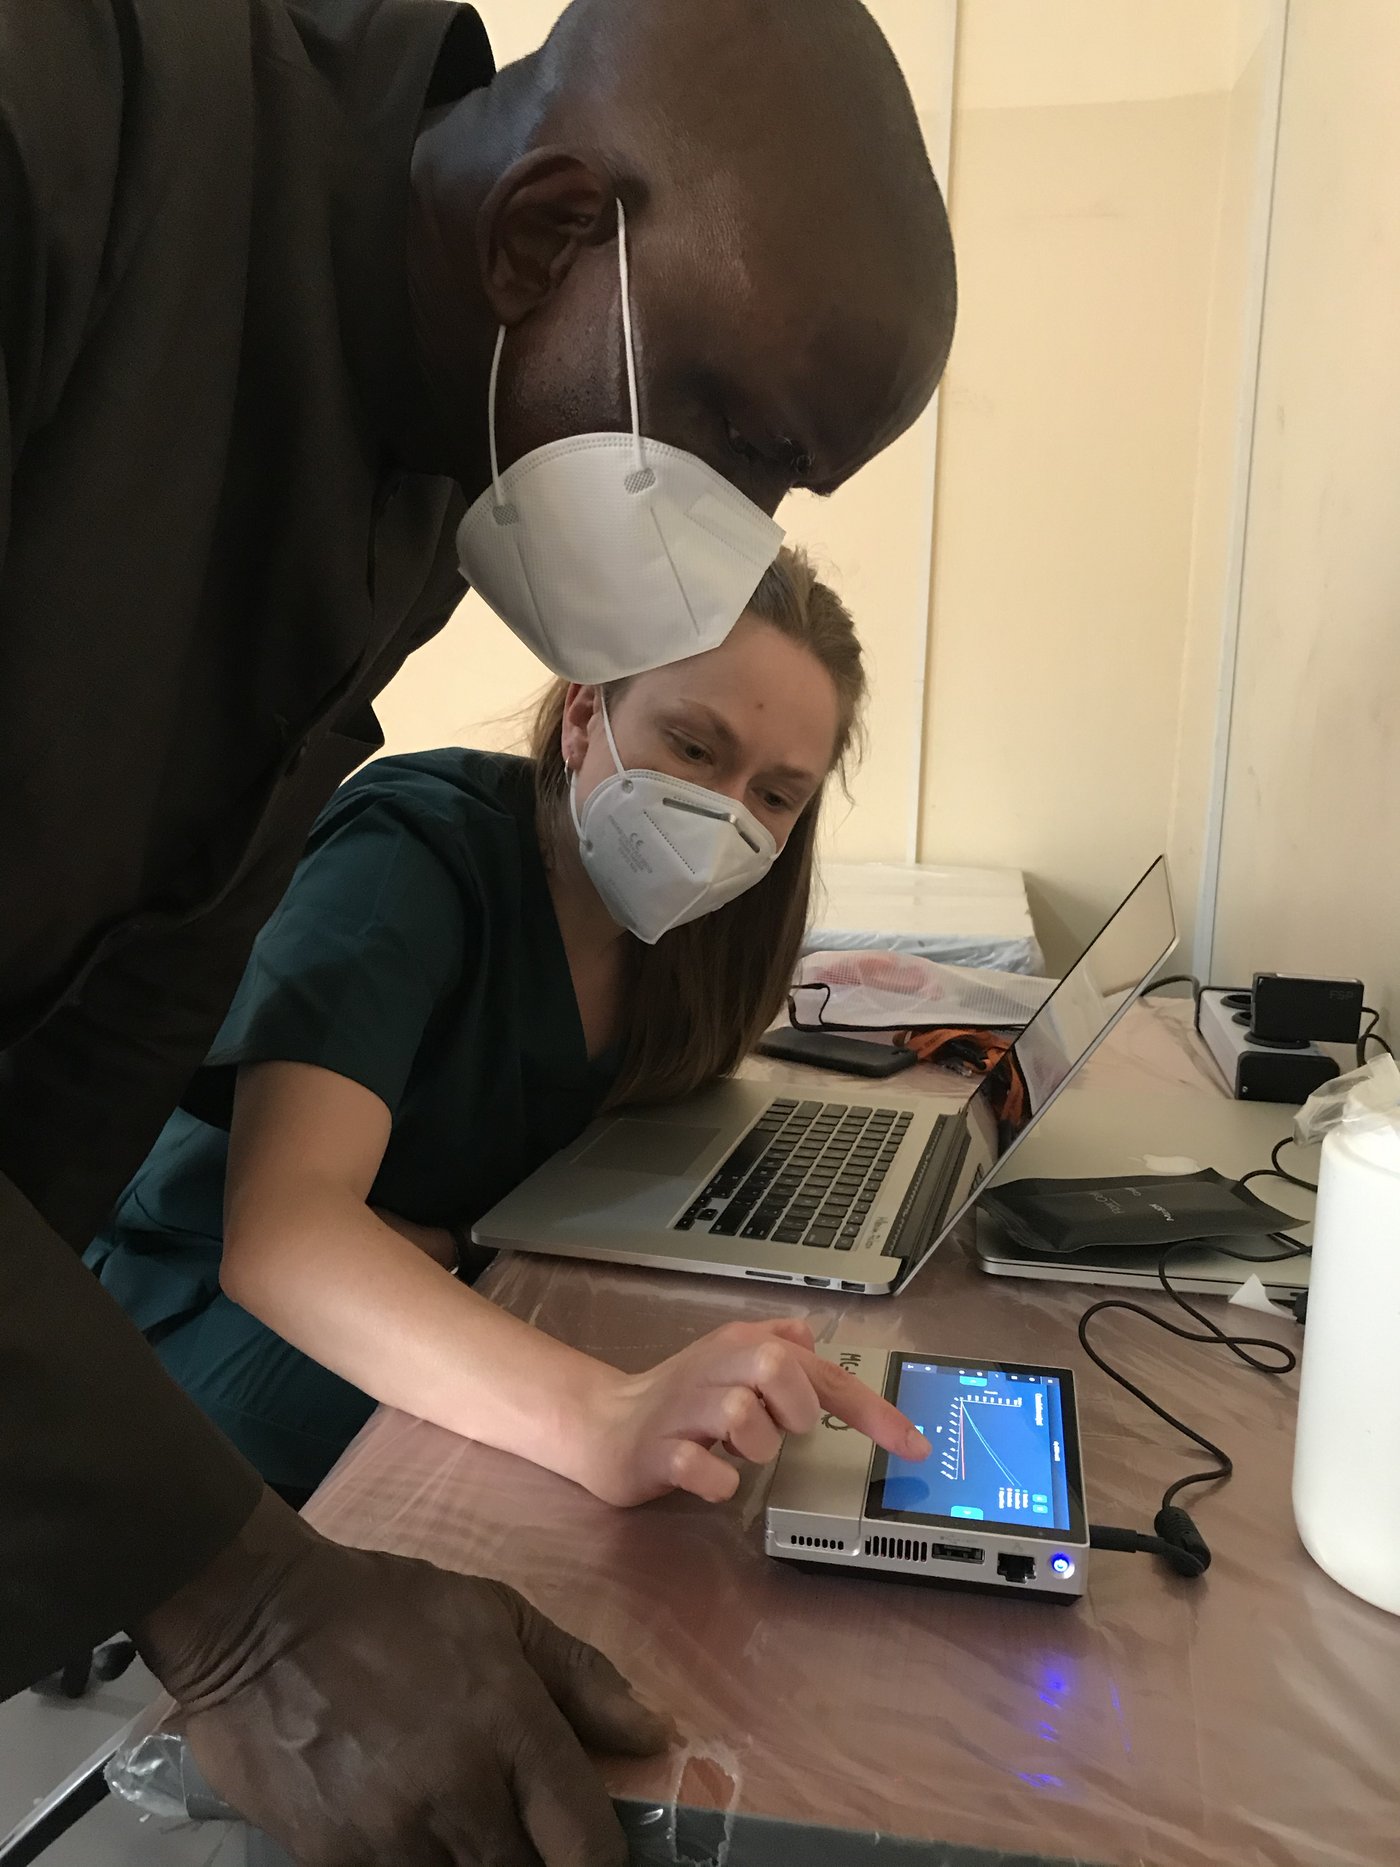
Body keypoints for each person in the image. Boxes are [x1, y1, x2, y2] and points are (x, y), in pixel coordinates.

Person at [0, 0, 957, 1857]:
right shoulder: (72, 117)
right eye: (730, 437)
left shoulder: (442, 452)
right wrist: (241, 1591)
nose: (727, 532)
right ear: (544, 234)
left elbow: (127, 978)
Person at [87, 550, 930, 1502]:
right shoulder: (408, 861)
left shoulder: (691, 939)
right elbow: (282, 1236)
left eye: (775, 794)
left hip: (453, 1284)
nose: (720, 814)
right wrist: (603, 1416)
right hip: (210, 1319)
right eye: (694, 748)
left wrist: (457, 1245)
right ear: (583, 715)